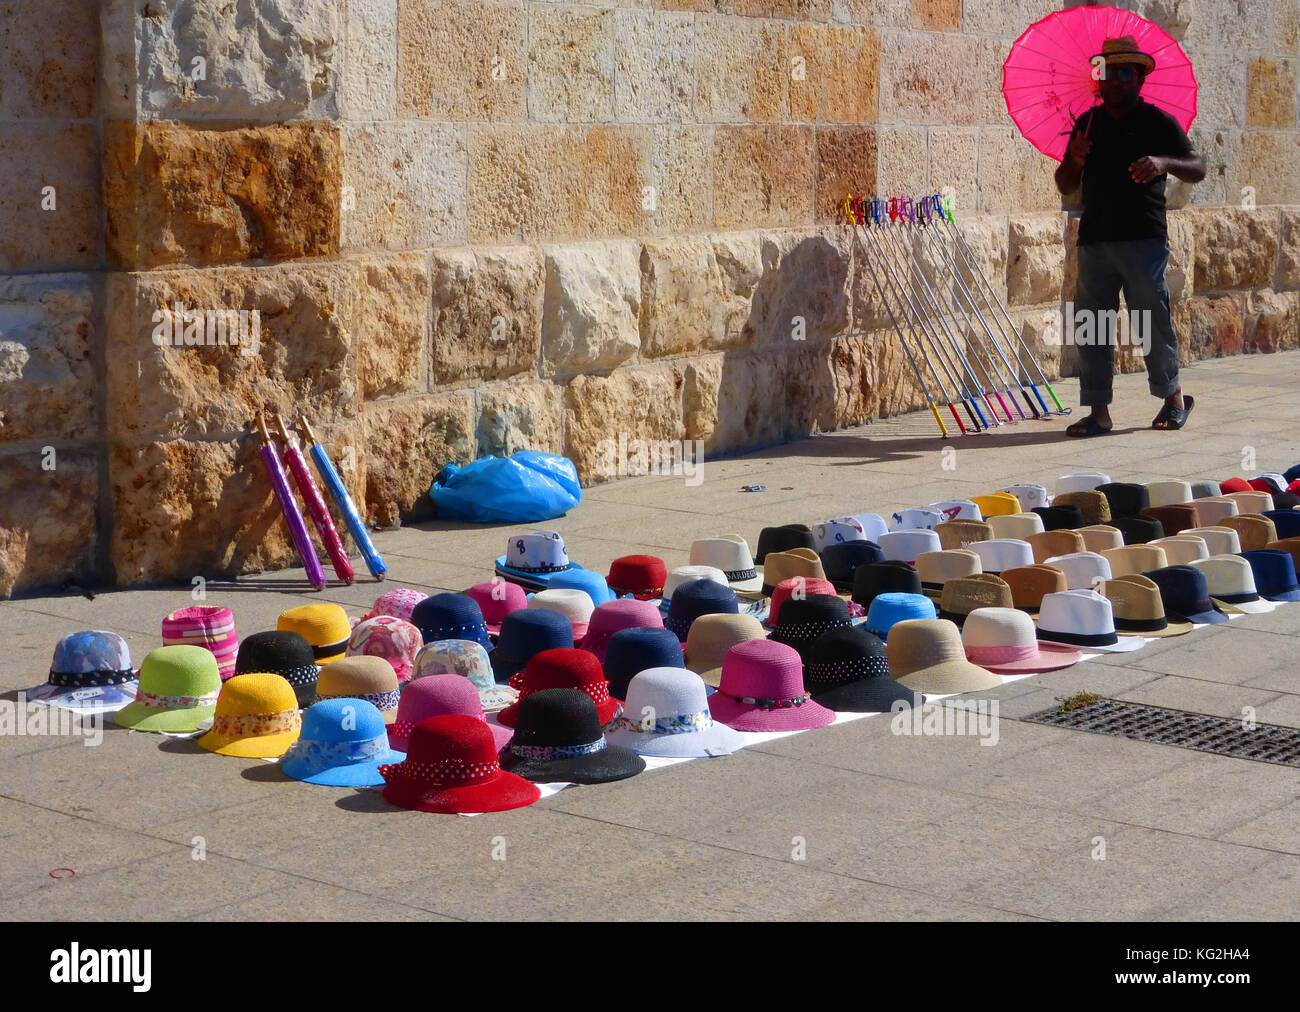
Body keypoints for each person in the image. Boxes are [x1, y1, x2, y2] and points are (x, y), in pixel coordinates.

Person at [1055, 36, 1206, 438]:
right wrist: (1075, 158)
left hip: (1143, 239)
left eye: (1126, 72)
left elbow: (1198, 165)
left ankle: (1173, 400)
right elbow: (1064, 184)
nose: (1116, 80)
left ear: (1139, 78)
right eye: (1108, 72)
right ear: (1098, 79)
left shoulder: (1157, 122)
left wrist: (1162, 162)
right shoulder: (1087, 124)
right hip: (1095, 240)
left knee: (1151, 319)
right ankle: (1098, 413)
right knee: (1093, 324)